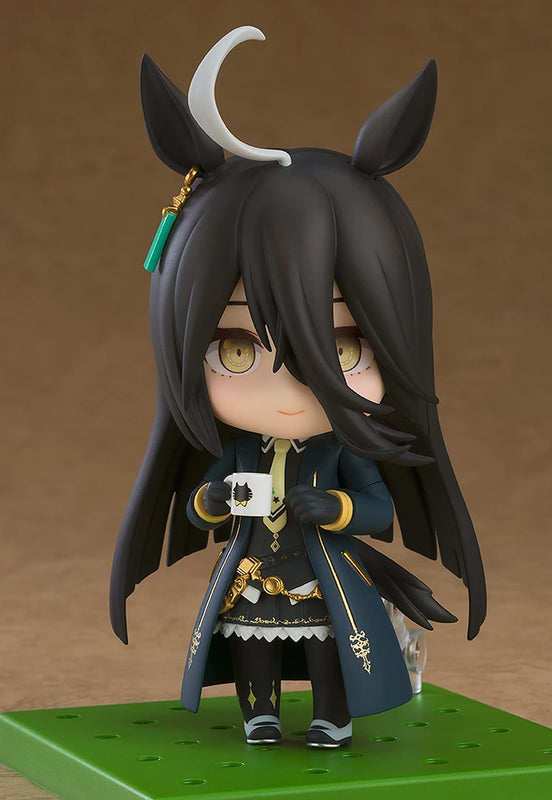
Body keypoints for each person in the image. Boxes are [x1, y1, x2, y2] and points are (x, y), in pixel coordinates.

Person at [110, 27, 486, 749]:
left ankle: (329, 716)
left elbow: (376, 508)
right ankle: (258, 713)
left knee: (327, 651)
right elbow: (201, 500)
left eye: (340, 348)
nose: (286, 388)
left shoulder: (339, 453)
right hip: (252, 574)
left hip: (323, 580)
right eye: (235, 349)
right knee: (250, 649)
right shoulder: (239, 450)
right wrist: (215, 499)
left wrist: (335, 506)